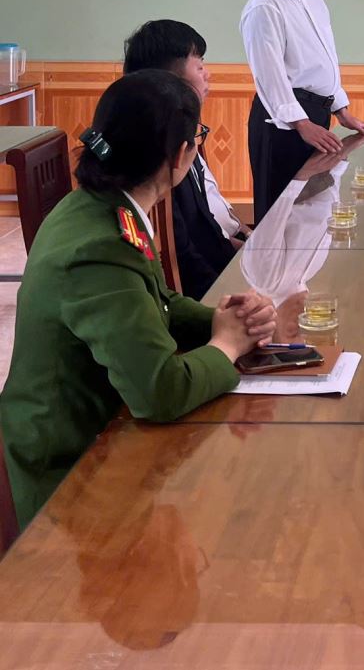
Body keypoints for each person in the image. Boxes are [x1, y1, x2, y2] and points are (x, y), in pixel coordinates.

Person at [0, 70, 277, 530]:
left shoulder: (100, 207)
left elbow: (158, 300)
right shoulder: (101, 245)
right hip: (66, 470)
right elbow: (159, 393)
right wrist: (226, 346)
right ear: (181, 155)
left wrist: (225, 319)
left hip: (105, 432)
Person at [240, 0, 364, 223]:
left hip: (316, 116)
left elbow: (325, 61)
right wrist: (301, 123)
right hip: (282, 123)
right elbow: (269, 75)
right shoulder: (265, 7)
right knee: (281, 214)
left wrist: (342, 110)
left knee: (313, 211)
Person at [123, 19, 247, 299]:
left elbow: (207, 230)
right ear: (169, 80)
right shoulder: (159, 156)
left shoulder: (178, 130)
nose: (208, 75)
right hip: (203, 293)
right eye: (199, 66)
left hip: (215, 273)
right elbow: (183, 256)